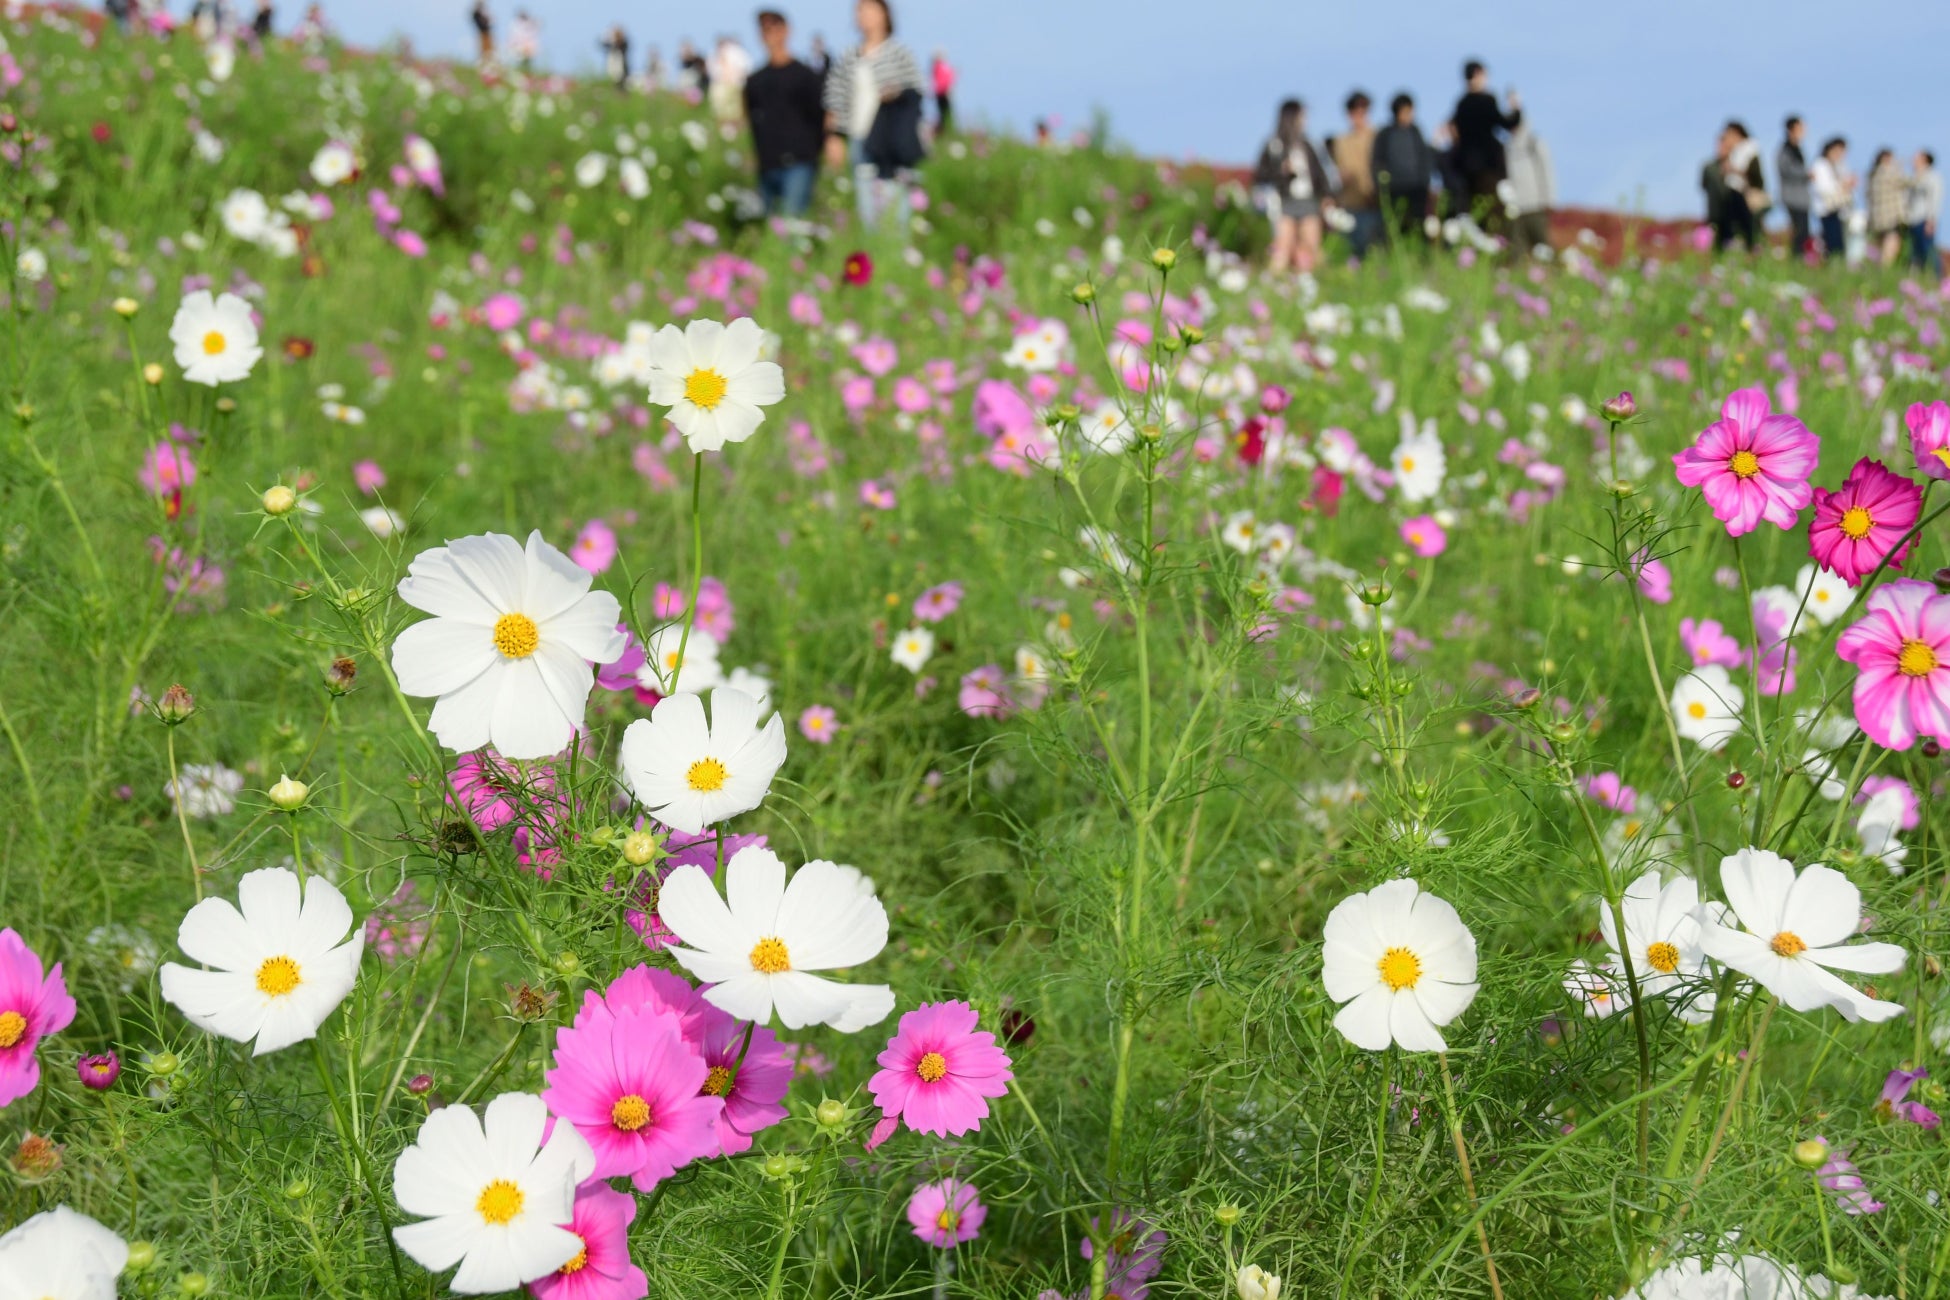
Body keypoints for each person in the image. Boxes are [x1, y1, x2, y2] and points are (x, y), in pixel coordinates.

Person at [822, 0, 925, 233]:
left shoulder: (899, 53)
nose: (863, 15)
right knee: (867, 208)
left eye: (869, 9)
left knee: (896, 207)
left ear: (884, 14)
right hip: (860, 138)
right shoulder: (849, 56)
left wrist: (896, 94)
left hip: (891, 141)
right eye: (860, 10)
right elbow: (835, 98)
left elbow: (916, 92)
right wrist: (833, 137)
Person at [746, 10, 826, 218]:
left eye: (774, 27)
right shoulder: (755, 81)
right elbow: (751, 121)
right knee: (770, 225)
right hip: (767, 163)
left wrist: (821, 150)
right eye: (765, 29)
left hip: (799, 162)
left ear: (786, 31)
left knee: (792, 222)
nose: (770, 34)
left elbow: (820, 117)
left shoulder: (806, 76)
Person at [1252, 99, 1333, 275]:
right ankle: (1274, 282)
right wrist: (1281, 171)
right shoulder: (1274, 145)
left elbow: (1320, 172)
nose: (1305, 120)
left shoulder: (1309, 144)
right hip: (1284, 202)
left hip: (1309, 202)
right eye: (1302, 116)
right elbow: (1260, 176)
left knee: (1311, 248)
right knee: (1283, 247)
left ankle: (1311, 282)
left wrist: (1327, 196)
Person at [1451, 59, 1520, 223]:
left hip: (1466, 168)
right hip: (1488, 167)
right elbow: (1507, 124)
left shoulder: (1461, 104)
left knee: (1473, 213)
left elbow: (1454, 131)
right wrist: (1515, 109)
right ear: (1477, 75)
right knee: (1494, 212)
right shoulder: (1487, 100)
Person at [1371, 93, 1435, 243]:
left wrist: (1425, 181)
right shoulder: (1385, 134)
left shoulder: (1416, 132)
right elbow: (1377, 161)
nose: (1408, 115)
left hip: (1417, 188)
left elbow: (1424, 158)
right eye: (1405, 111)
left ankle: (1418, 252)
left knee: (1418, 224)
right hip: (1394, 188)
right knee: (1394, 226)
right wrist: (1380, 185)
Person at [1329, 91, 1380, 258]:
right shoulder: (1341, 141)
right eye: (1354, 111)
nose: (1358, 116)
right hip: (1351, 204)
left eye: (1362, 111)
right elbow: (1338, 171)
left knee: (1376, 250)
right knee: (1354, 252)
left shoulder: (1378, 137)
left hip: (1375, 202)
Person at [1503, 119, 1554, 256]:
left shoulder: (1534, 142)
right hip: (1515, 209)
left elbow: (1546, 172)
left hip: (1535, 206)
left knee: (1543, 250)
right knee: (1517, 251)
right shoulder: (1507, 147)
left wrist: (1548, 199)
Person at [1715, 120, 1765, 253]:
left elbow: (1753, 174)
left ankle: (1751, 250)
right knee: (1736, 224)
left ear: (1737, 133)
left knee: (1747, 225)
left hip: (1744, 193)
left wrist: (1732, 169)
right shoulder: (1735, 151)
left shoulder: (1749, 148)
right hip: (1735, 191)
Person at [1811, 136, 1853, 260]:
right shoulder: (1820, 165)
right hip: (1826, 208)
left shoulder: (1840, 166)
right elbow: (1821, 187)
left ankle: (1837, 261)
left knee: (1840, 240)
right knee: (1830, 238)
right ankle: (1829, 260)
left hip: (1840, 208)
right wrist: (1841, 186)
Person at [1777, 116, 1812, 258]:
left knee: (1804, 232)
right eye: (1800, 128)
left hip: (1802, 199)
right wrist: (1806, 174)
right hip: (1792, 198)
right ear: (1791, 130)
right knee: (1799, 231)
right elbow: (1786, 170)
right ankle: (1797, 257)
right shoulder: (1785, 151)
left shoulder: (1798, 150)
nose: (1803, 132)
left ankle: (1802, 258)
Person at [1868, 148, 1906, 265]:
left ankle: (1877, 266)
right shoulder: (1888, 172)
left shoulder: (1873, 174)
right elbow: (1905, 182)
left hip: (1877, 217)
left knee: (1880, 242)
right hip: (1890, 216)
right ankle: (1885, 267)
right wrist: (1899, 166)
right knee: (1891, 242)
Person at [1909, 150, 1943, 276]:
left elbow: (1935, 199)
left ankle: (1936, 276)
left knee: (1928, 249)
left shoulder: (1933, 177)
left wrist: (1931, 220)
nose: (1913, 160)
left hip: (1924, 219)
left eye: (1916, 157)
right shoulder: (1914, 176)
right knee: (1915, 251)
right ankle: (1916, 275)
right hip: (1912, 219)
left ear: (1925, 160)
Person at [709, 35, 754, 122]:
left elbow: (746, 69)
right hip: (721, 86)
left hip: (736, 85)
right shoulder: (713, 56)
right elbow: (714, 72)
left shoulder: (737, 53)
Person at [930, 49, 956, 133]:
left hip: (942, 92)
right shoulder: (945, 67)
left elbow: (938, 80)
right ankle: (946, 129)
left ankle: (945, 129)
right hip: (943, 92)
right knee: (945, 112)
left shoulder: (938, 67)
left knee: (943, 112)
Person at [601, 25, 631, 91]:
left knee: (621, 85)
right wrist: (608, 37)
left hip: (621, 70)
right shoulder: (611, 45)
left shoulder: (623, 44)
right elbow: (603, 44)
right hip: (612, 69)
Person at [470, 2, 493, 68]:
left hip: (485, 32)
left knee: (488, 49)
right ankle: (484, 63)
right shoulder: (477, 14)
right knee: (484, 49)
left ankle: (487, 63)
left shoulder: (480, 13)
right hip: (482, 32)